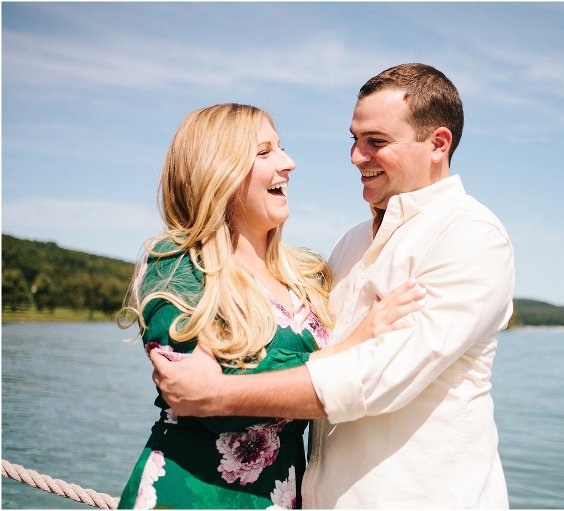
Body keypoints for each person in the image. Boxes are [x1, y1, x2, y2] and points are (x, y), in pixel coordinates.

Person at [151, 63, 515, 508]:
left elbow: (376, 379)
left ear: (438, 143)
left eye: (376, 142)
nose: (356, 157)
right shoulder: (350, 244)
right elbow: (314, 354)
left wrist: (216, 395)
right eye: (354, 139)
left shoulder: (469, 236)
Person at [117, 103, 425, 509]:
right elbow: (212, 403)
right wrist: (357, 342)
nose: (289, 163)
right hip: (191, 494)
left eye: (281, 148)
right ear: (217, 170)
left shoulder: (308, 275)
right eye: (264, 152)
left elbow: (233, 385)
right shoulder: (175, 266)